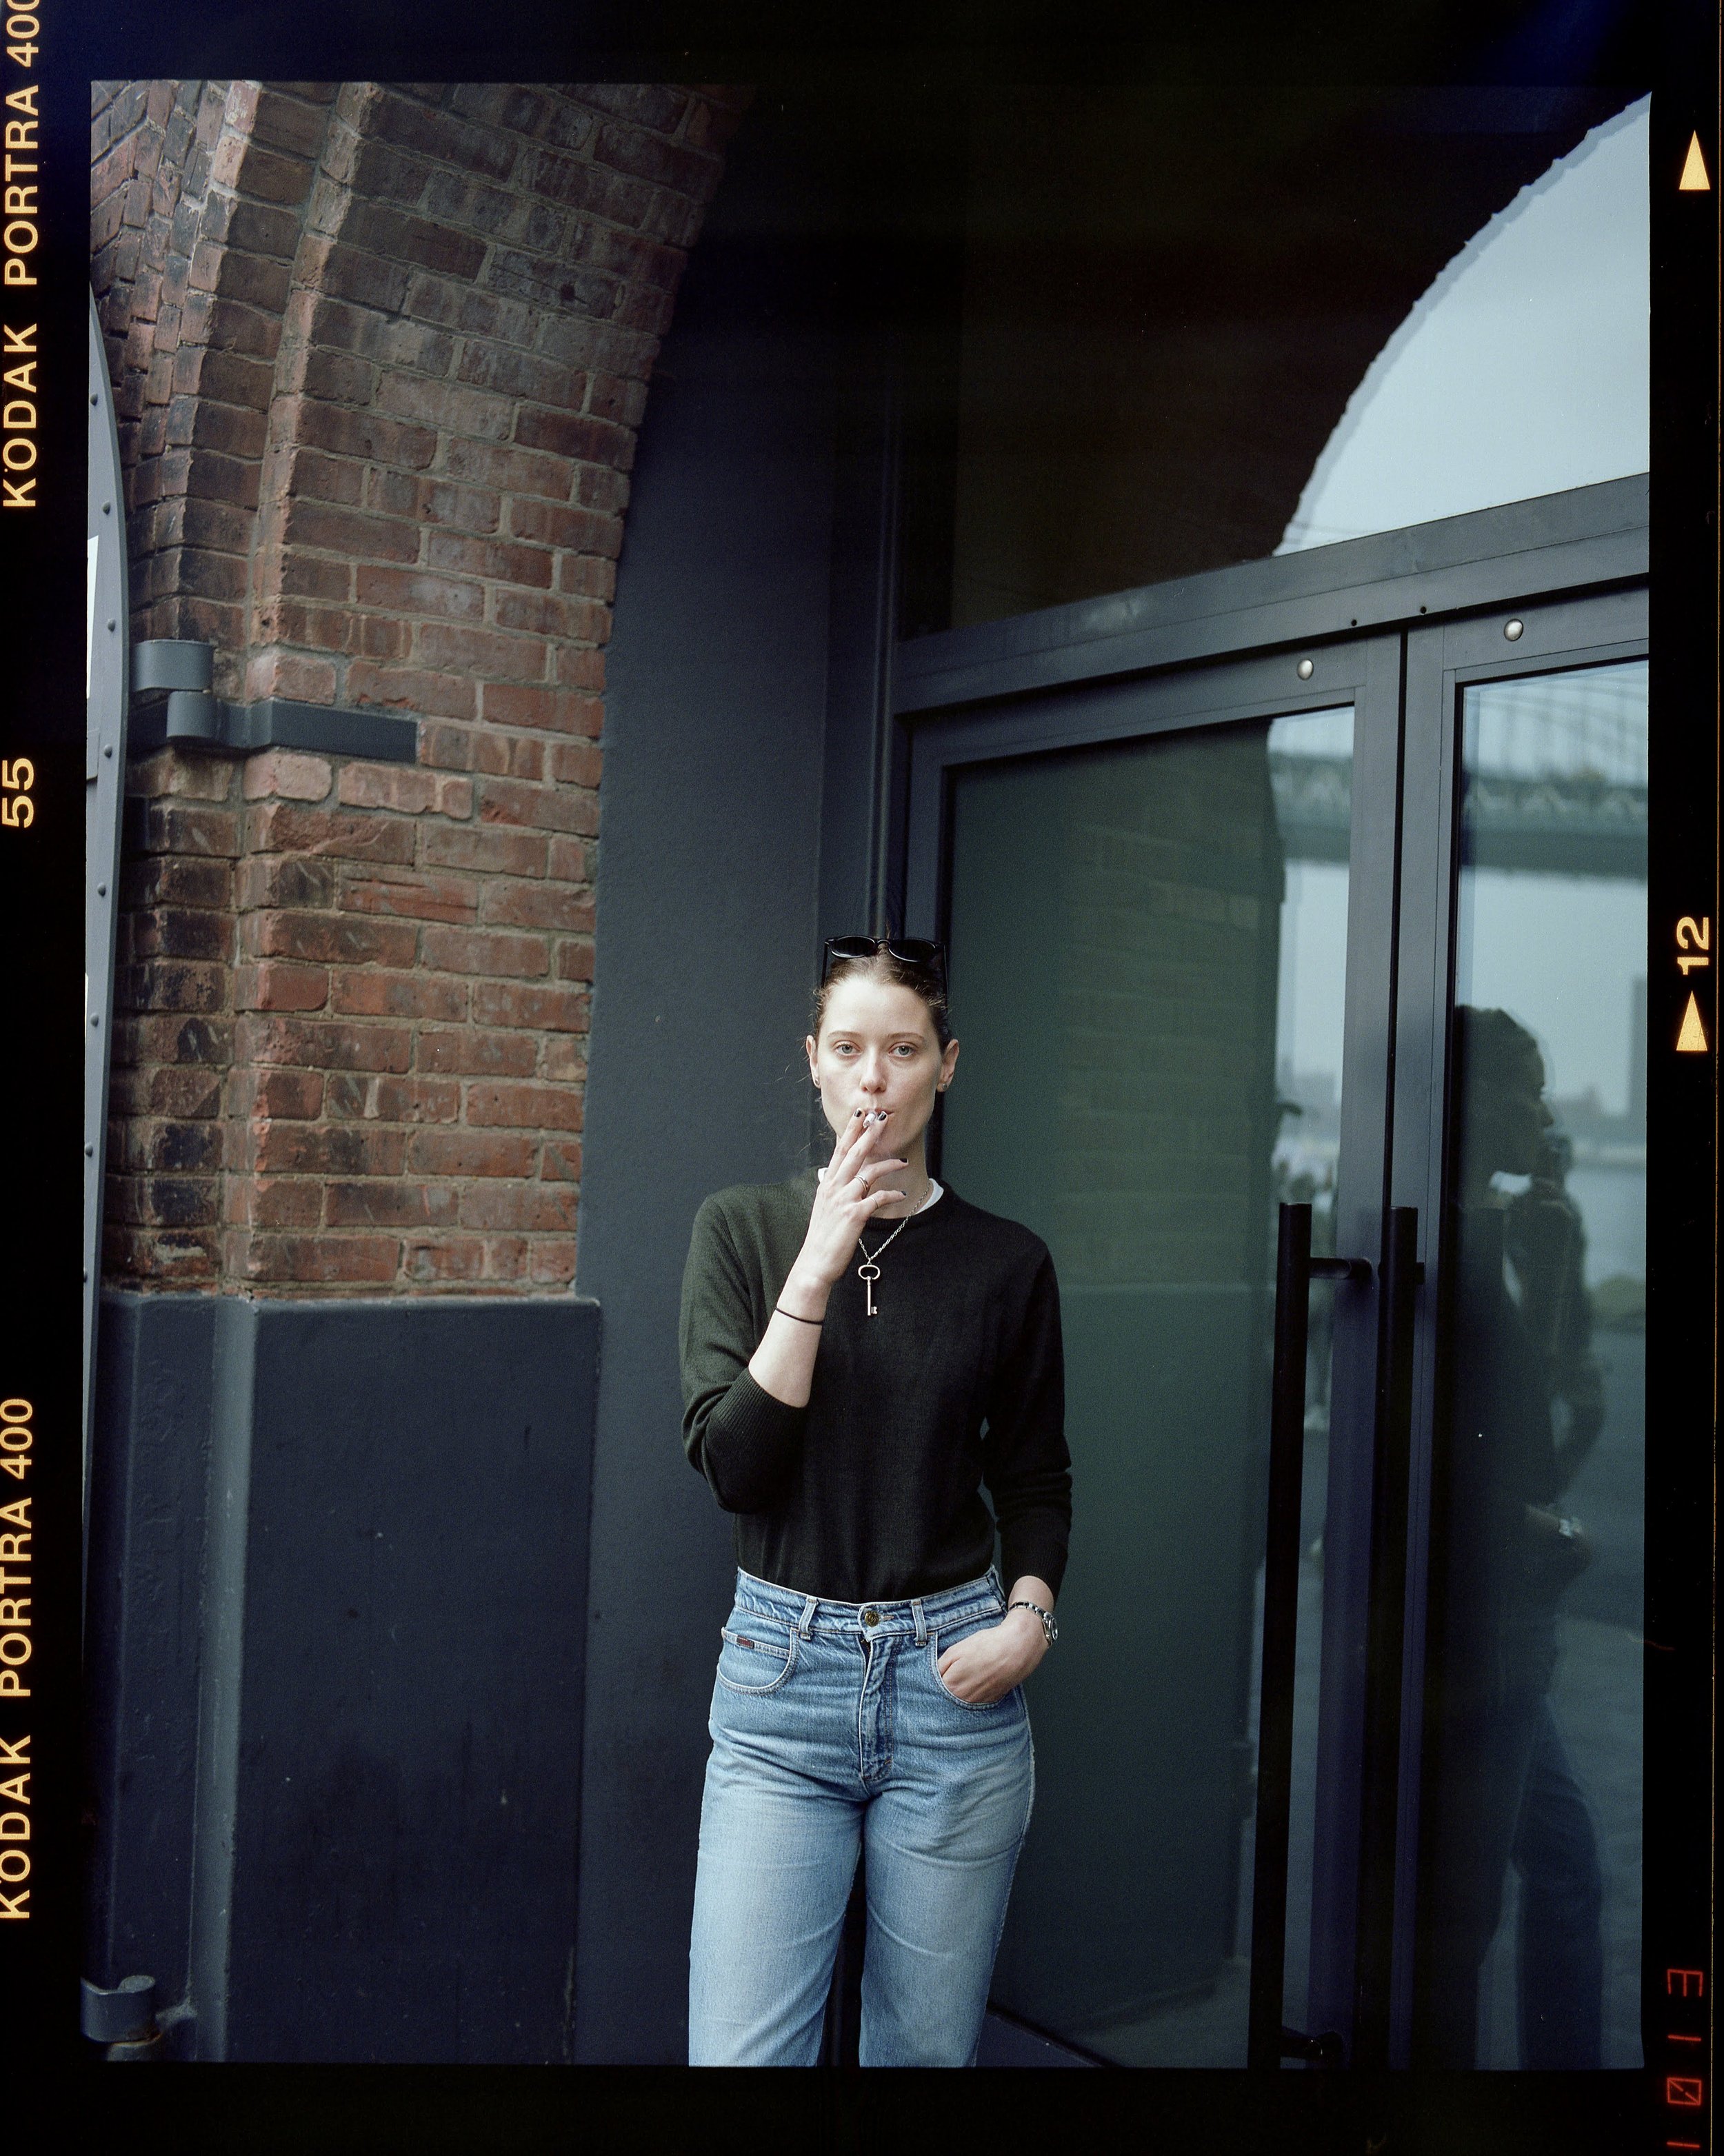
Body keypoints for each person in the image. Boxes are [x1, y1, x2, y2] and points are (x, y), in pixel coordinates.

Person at [679, 934, 1073, 2067]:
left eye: (903, 1050)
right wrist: (818, 1261)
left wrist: (1029, 1621)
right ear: (812, 1058)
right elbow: (737, 1471)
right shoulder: (740, 1229)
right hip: (781, 1686)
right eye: (848, 1048)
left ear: (947, 1064)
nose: (874, 1079)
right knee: (743, 2058)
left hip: (955, 1687)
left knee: (922, 2058)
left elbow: (1036, 1477)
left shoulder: (1006, 1262)